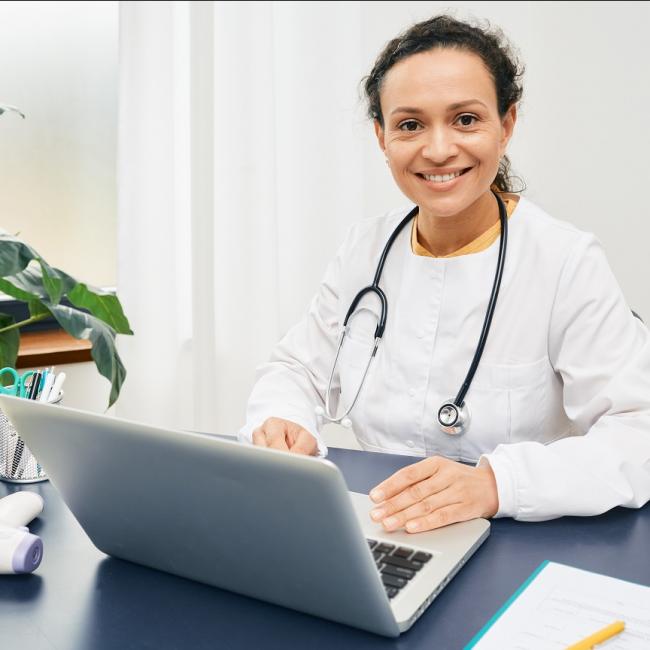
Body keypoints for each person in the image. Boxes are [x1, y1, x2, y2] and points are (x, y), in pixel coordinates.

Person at [238, 15, 650, 528]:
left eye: (466, 119)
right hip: (381, 523)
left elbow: (638, 433)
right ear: (382, 137)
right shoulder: (365, 251)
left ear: (507, 125)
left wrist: (498, 484)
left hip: (521, 535)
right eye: (410, 124)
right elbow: (296, 370)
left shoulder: (565, 261)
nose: (438, 149)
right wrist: (284, 422)